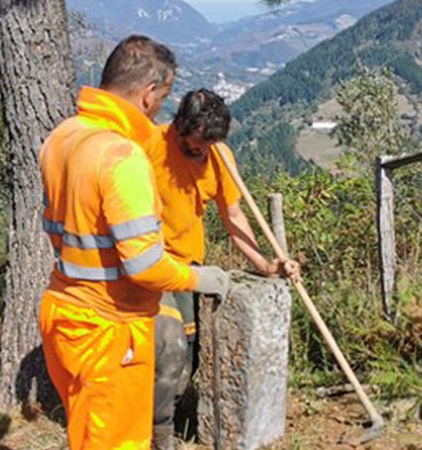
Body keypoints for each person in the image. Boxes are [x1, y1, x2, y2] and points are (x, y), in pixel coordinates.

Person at [37, 36, 231, 450]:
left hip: (64, 315)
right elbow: (144, 265)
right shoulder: (122, 157)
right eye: (162, 97)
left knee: (88, 433)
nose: (160, 107)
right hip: (110, 329)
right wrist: (199, 278)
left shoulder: (61, 138)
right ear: (148, 94)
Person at [145, 88, 301, 449]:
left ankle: (167, 415)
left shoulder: (220, 156)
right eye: (192, 146)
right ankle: (157, 437)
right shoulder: (150, 147)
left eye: (207, 145)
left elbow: (233, 216)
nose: (199, 152)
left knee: (189, 354)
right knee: (168, 350)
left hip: (190, 266)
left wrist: (265, 265)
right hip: (152, 264)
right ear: (179, 126)